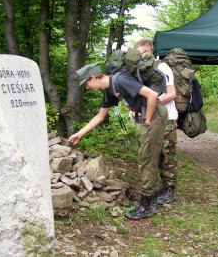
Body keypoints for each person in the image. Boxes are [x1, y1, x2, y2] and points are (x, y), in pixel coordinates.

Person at [68, 63, 168, 219]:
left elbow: (152, 95)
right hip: (148, 116)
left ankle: (147, 204)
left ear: (93, 77)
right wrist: (79, 133)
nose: (87, 87)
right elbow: (100, 116)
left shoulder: (121, 80)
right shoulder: (109, 90)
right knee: (147, 156)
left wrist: (147, 120)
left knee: (146, 158)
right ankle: (152, 197)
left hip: (155, 115)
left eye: (86, 84)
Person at [134, 39, 178, 204]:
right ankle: (163, 185)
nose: (139, 58)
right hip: (153, 118)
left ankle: (170, 188)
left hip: (167, 117)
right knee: (155, 154)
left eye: (140, 54)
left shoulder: (161, 67)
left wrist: (152, 104)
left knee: (168, 154)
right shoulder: (144, 70)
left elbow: (172, 93)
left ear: (148, 52)